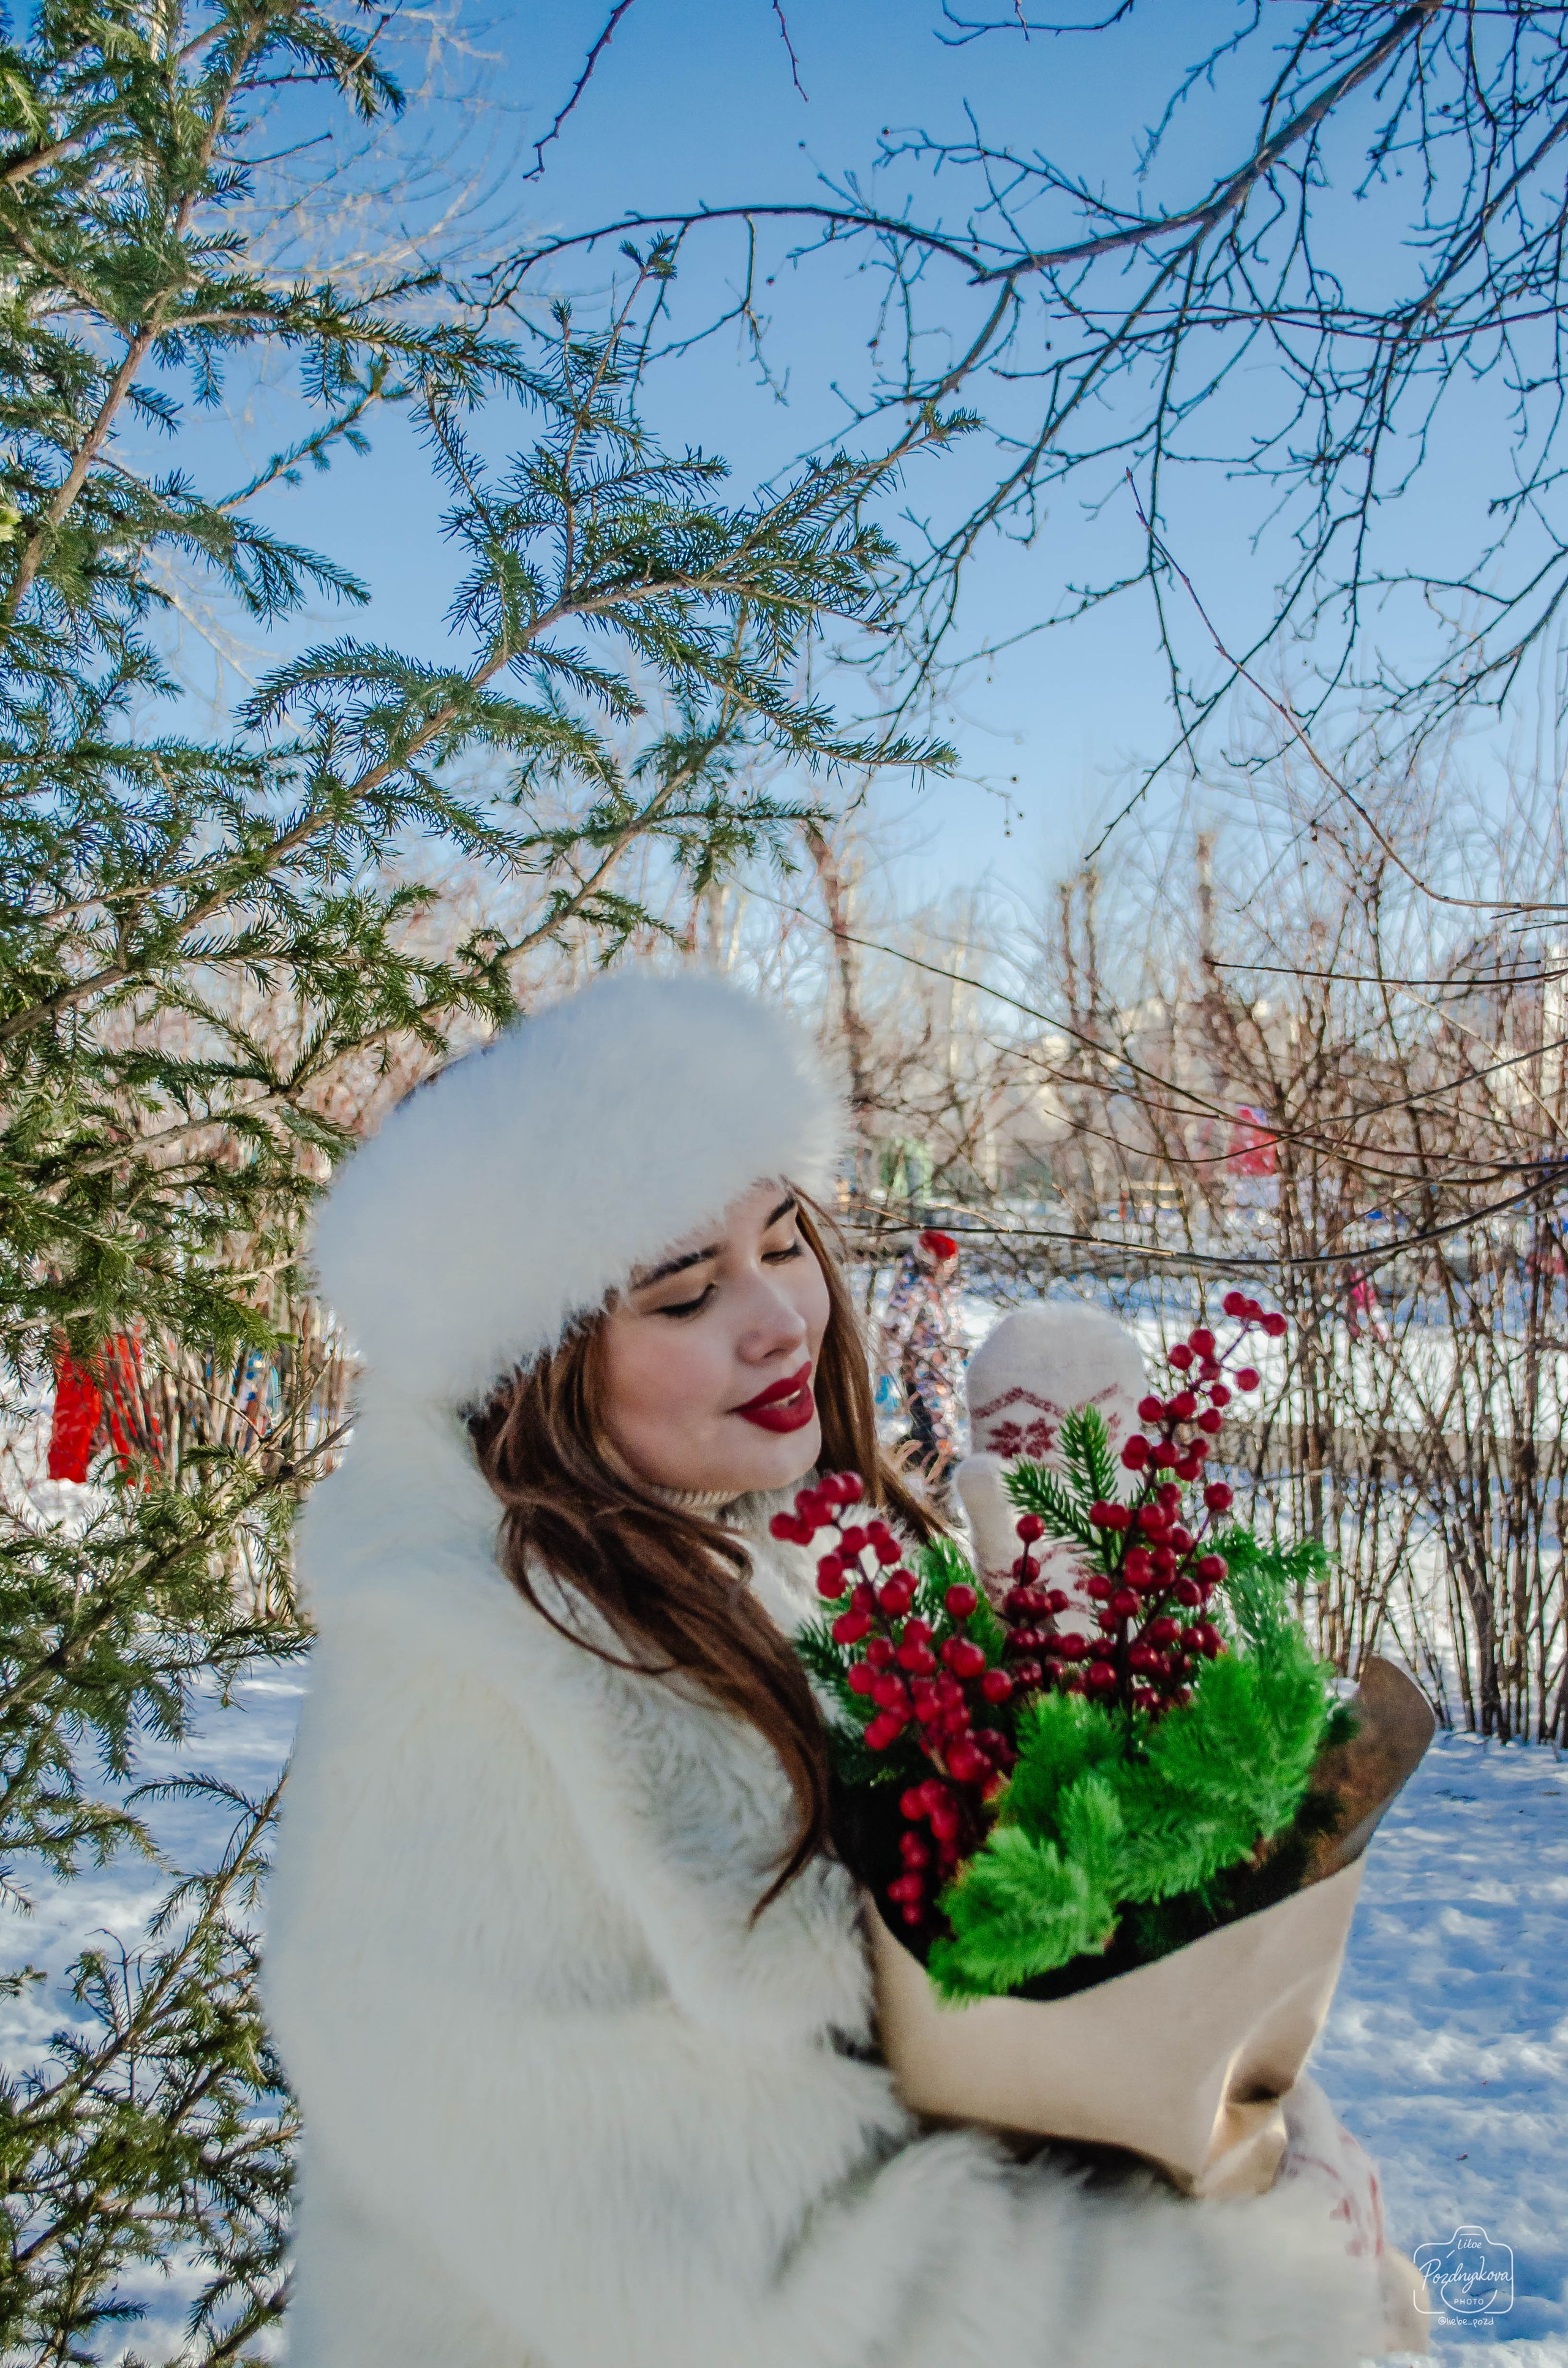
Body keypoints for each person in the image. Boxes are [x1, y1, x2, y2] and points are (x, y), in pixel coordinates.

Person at [263, 970, 1396, 2368]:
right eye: (683, 1291)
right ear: (532, 1369)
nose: (779, 1318)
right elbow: (760, 2292)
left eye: (782, 1236)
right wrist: (1251, 2297)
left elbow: (1095, 1971)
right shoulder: (463, 1717)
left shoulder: (817, 1561)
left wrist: (1260, 2128)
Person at [880, 1226, 964, 1478]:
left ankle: (930, 1474)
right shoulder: (913, 1284)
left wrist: (959, 1356)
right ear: (931, 1258)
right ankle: (926, 1482)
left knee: (938, 1432)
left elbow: (948, 1327)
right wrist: (888, 1371)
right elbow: (894, 1329)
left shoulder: (944, 1286)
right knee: (930, 1434)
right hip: (920, 1375)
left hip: (942, 1375)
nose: (949, 1267)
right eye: (946, 1262)